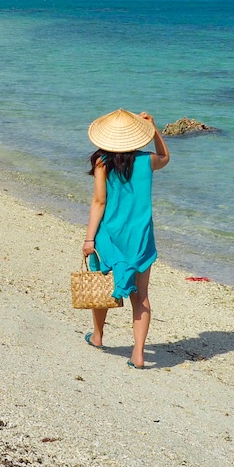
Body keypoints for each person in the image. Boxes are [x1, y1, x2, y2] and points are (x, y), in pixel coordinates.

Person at [81, 109, 170, 369]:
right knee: (140, 295)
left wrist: (89, 240)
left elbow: (99, 201)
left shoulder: (102, 162)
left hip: (109, 233)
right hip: (140, 236)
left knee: (103, 287)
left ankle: (97, 336)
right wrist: (154, 128)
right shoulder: (147, 161)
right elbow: (165, 156)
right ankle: (139, 355)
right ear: (135, 137)